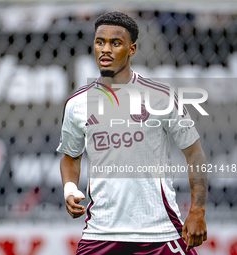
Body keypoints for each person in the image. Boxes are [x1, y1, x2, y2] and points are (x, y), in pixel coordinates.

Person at [57, 11, 207, 255]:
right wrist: (70, 189)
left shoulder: (161, 97)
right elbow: (71, 155)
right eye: (99, 42)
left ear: (132, 49)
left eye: (115, 43)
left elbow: (195, 154)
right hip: (100, 232)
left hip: (159, 232)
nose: (106, 49)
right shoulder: (77, 103)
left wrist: (198, 212)